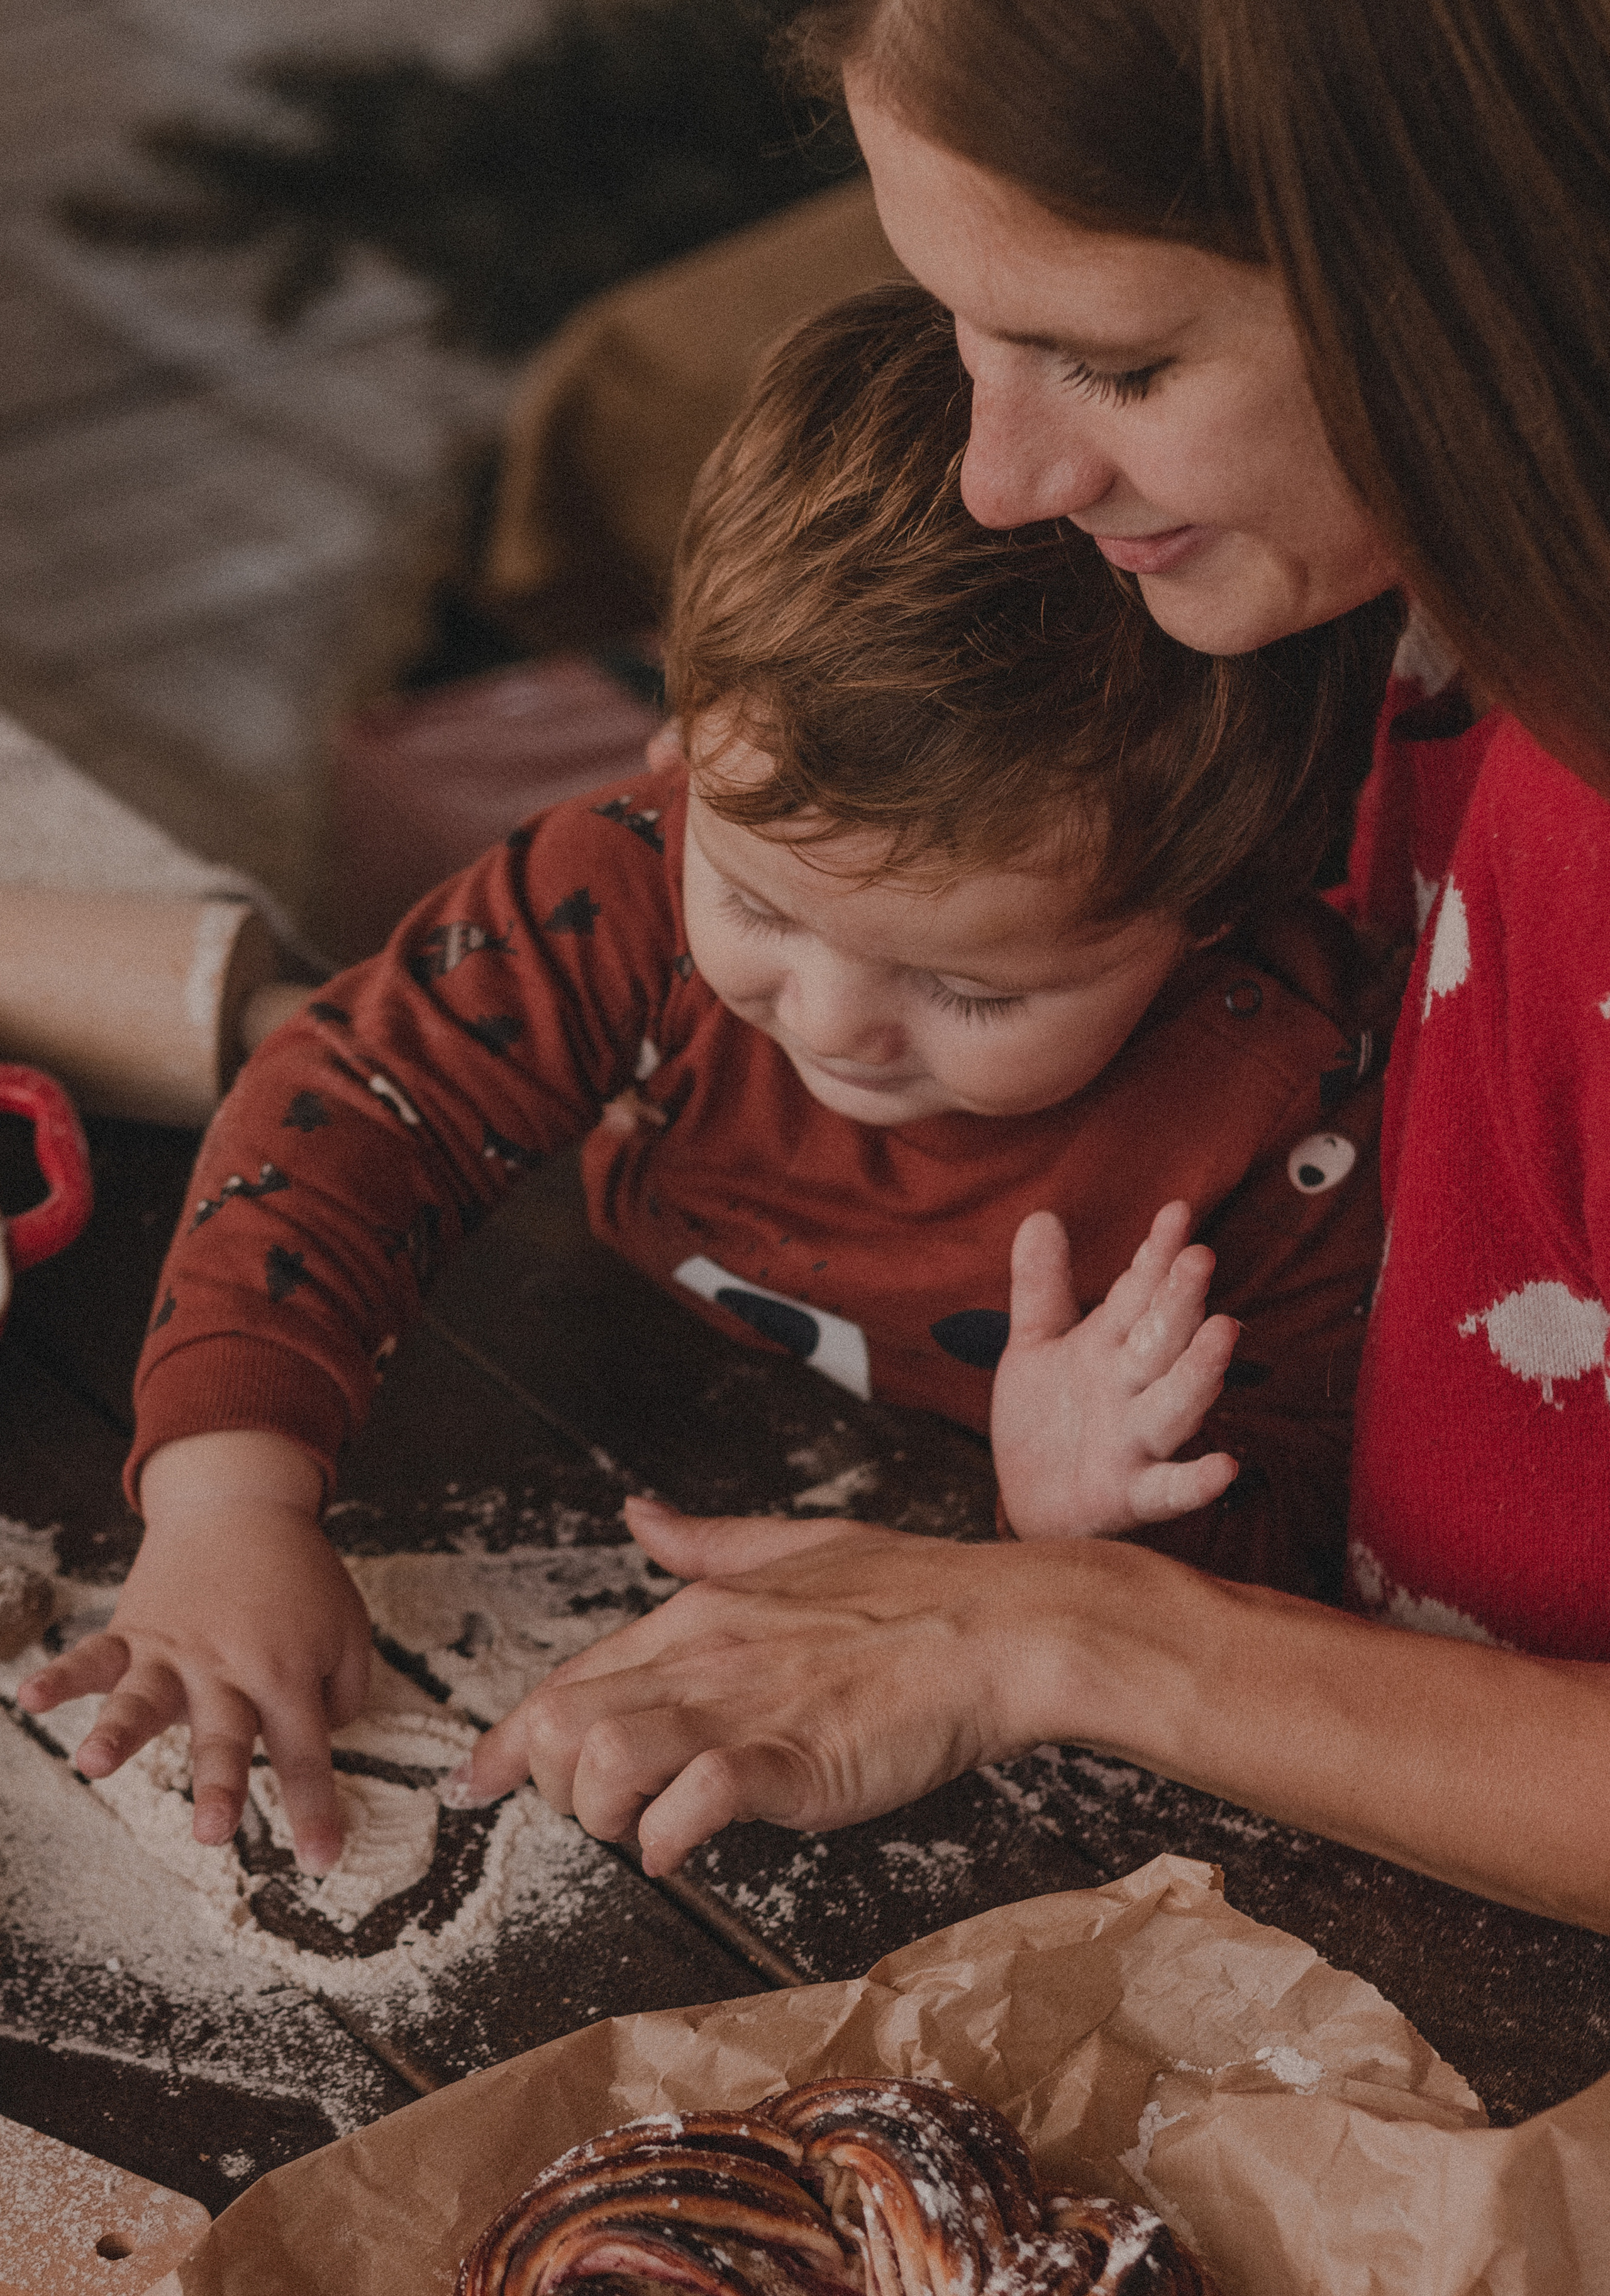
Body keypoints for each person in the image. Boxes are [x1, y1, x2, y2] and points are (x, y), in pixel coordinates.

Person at [427, 0, 1610, 1935]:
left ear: (1484, 266)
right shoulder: (1388, 597)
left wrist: (1068, 1640)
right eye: (965, 328)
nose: (998, 474)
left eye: (1116, 365)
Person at [16, 285, 1401, 1875]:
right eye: (755, 906)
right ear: (680, 742)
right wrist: (226, 1502)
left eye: (967, 988)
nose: (827, 1018)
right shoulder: (628, 867)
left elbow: (1293, 1588)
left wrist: (1095, 1525)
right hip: (599, 1408)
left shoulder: (1290, 1124)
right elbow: (361, 1110)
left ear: (1217, 899)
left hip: (948, 1698)